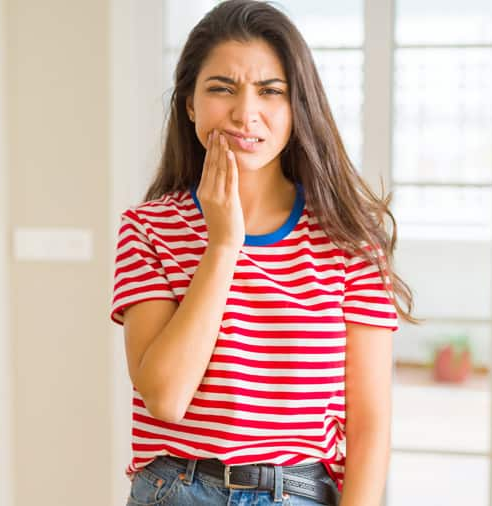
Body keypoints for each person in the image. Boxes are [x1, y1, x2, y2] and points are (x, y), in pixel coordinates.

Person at [110, 1, 417, 504]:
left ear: (298, 107)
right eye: (221, 89)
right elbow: (165, 397)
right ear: (189, 104)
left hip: (297, 493)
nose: (244, 113)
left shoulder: (350, 240)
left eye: (270, 91)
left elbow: (370, 429)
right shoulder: (149, 229)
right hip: (175, 490)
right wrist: (224, 243)